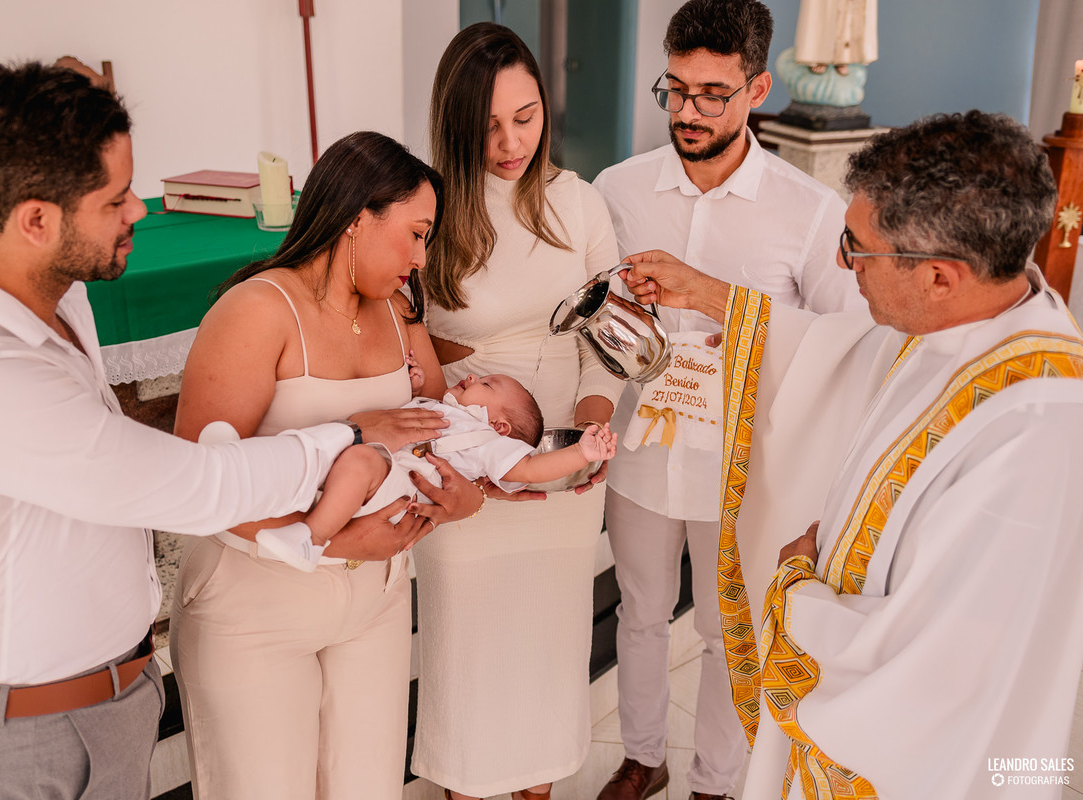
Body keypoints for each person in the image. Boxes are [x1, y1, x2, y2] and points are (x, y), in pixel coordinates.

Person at [0, 62, 382, 799]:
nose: (138, 212)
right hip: (36, 738)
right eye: (116, 199)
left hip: (105, 698)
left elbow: (103, 449)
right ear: (36, 220)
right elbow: (196, 489)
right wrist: (345, 434)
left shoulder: (55, 295)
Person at [621, 111, 1083, 799]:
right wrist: (717, 299)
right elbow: (829, 354)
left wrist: (797, 591)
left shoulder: (1037, 435)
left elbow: (941, 666)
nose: (841, 264)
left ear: (939, 276)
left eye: (857, 248)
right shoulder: (957, 326)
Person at [590, 1, 861, 797]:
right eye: (674, 90)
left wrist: (718, 302)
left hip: (740, 464)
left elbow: (838, 339)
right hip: (641, 449)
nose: (688, 112)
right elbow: (599, 310)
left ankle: (716, 779)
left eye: (713, 93)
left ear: (758, 88)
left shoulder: (809, 213)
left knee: (718, 629)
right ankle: (642, 757)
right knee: (638, 613)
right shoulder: (619, 188)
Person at [168, 130, 482, 800]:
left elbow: (434, 426)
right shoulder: (258, 310)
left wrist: (464, 494)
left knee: (367, 787)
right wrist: (337, 539)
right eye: (415, 233)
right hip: (257, 600)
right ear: (356, 217)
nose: (421, 259)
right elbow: (199, 481)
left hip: (377, 595)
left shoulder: (399, 311)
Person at [410, 21, 625, 800]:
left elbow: (610, 337)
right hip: (466, 454)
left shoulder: (579, 203)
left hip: (563, 454)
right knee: (469, 655)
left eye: (526, 116)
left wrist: (585, 438)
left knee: (544, 649)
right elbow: (405, 343)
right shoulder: (427, 209)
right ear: (455, 121)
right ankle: (465, 786)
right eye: (489, 123)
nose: (510, 141)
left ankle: (537, 788)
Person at [298, 373, 618, 550]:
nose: (471, 376)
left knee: (356, 462)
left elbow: (530, 469)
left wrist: (581, 453)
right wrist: (414, 382)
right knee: (329, 456)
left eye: (486, 384)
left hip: (393, 485)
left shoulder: (487, 441)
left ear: (499, 427)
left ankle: (311, 537)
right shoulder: (446, 411)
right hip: (368, 465)